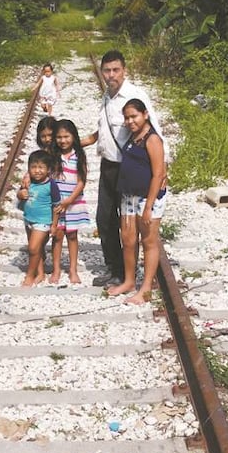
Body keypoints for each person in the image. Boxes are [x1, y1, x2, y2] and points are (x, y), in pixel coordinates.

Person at [80, 50, 164, 287]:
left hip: (128, 168)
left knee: (131, 226)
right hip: (108, 166)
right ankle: (115, 268)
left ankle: (129, 274)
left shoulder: (135, 95)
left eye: (116, 70)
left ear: (124, 70)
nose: (111, 75)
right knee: (105, 219)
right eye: (107, 70)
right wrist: (83, 141)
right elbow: (106, 130)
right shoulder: (107, 96)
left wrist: (162, 171)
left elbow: (155, 131)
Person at [107, 99, 167, 304]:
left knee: (148, 241)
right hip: (129, 196)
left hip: (147, 198)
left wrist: (149, 206)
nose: (130, 121)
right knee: (129, 240)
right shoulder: (133, 135)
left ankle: (146, 288)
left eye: (134, 116)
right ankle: (129, 281)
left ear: (145, 115)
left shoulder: (152, 140)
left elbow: (158, 174)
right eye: (127, 117)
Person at [49, 119, 90, 286]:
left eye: (66, 136)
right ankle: (56, 269)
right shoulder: (52, 155)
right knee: (57, 236)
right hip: (57, 203)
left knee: (72, 235)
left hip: (73, 202)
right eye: (59, 137)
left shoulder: (79, 155)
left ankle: (73, 269)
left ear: (73, 136)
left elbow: (82, 181)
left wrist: (70, 200)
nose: (63, 140)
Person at [15, 150, 60, 287]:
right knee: (37, 248)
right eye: (33, 167)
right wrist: (20, 194)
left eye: (41, 167)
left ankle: (29, 276)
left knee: (33, 248)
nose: (37, 171)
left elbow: (56, 206)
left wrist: (54, 225)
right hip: (28, 219)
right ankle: (40, 273)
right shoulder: (28, 182)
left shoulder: (51, 185)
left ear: (48, 170)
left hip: (43, 221)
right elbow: (20, 194)